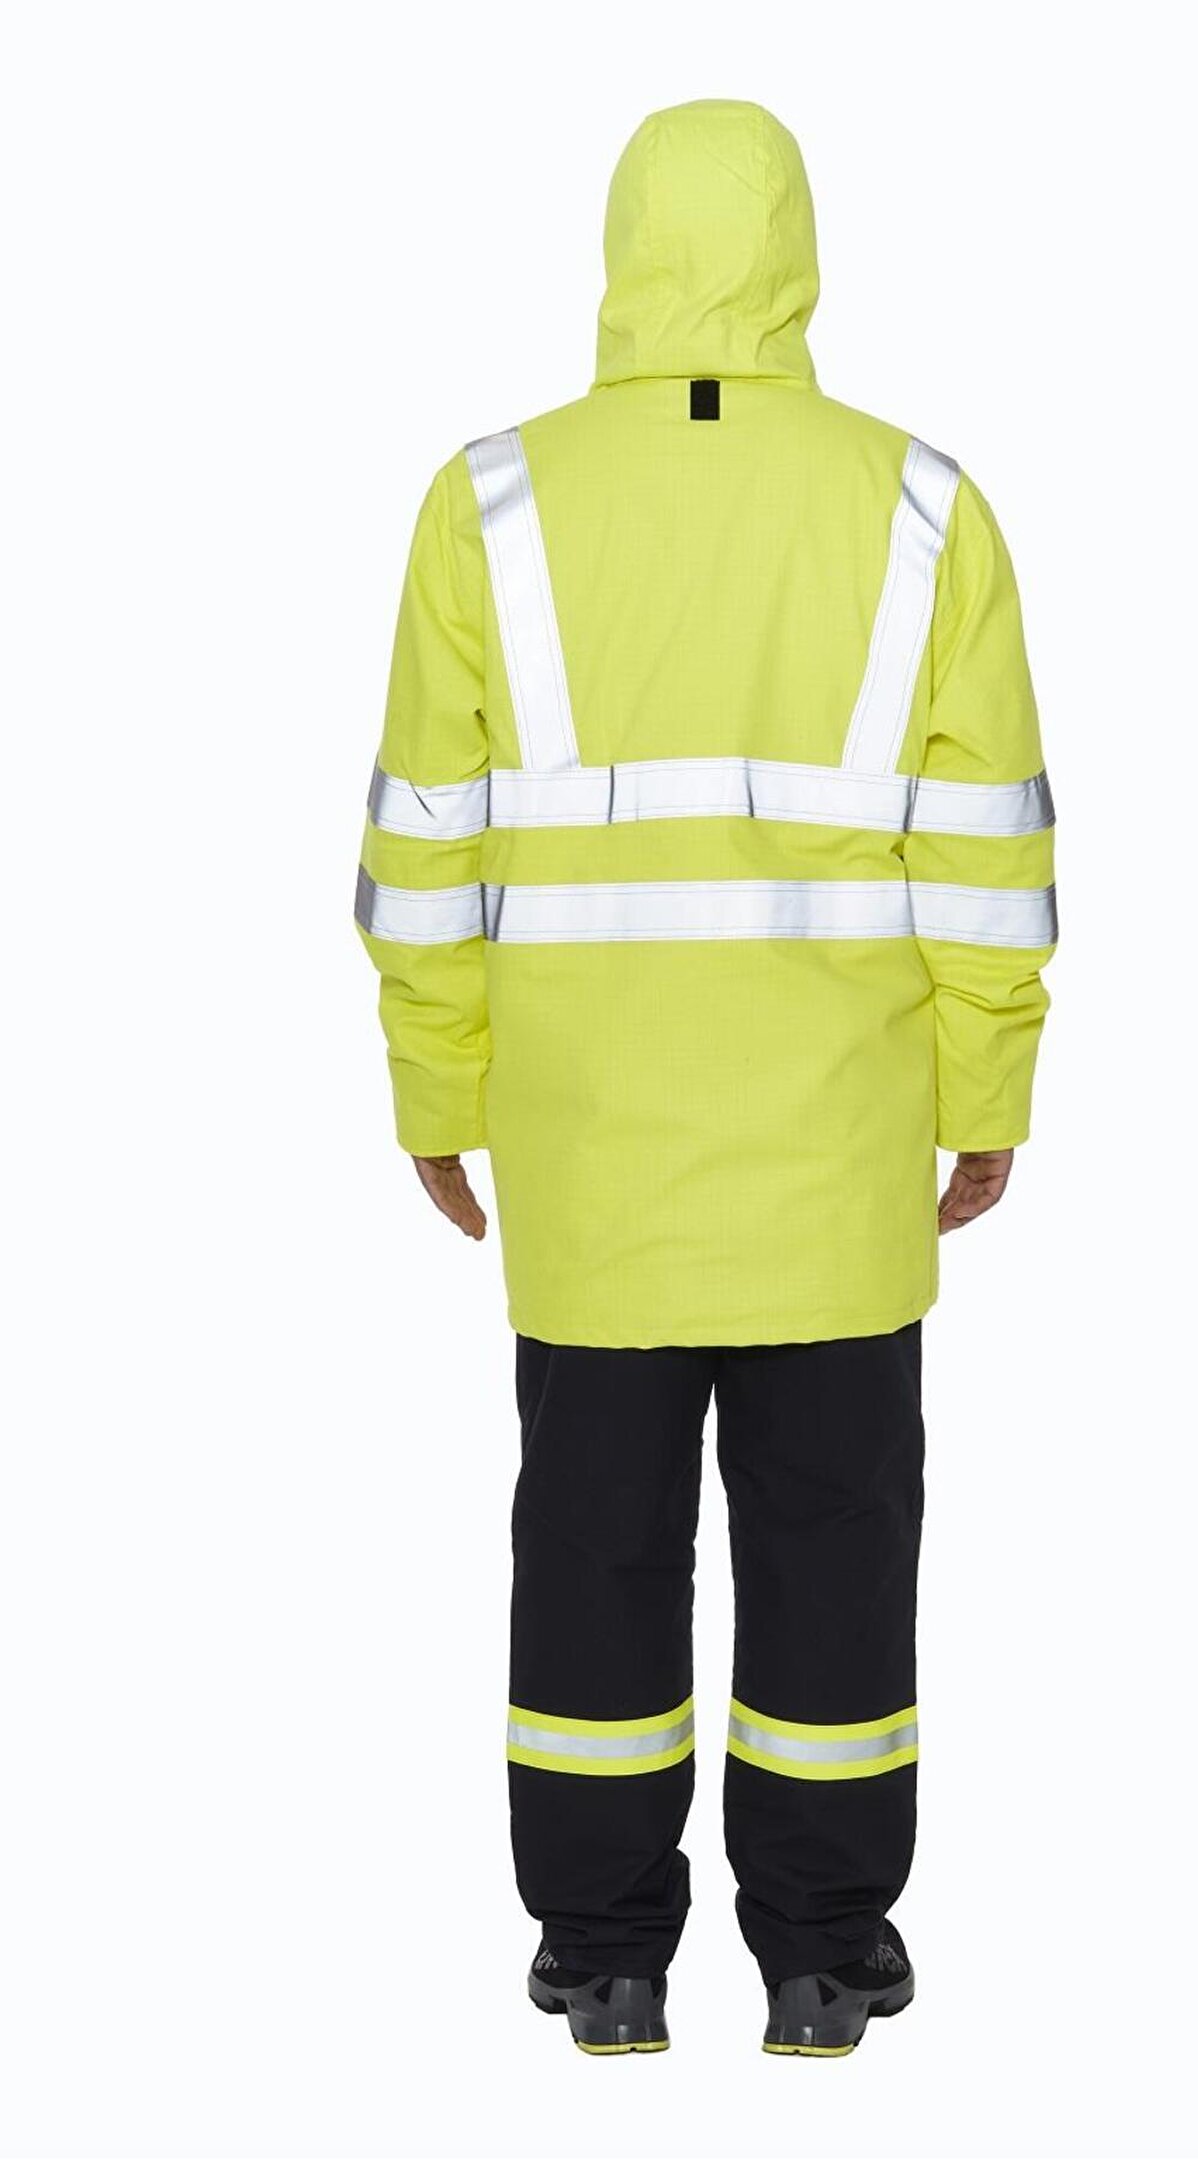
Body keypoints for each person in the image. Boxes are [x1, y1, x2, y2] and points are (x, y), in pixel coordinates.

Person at [355, 98, 1057, 2058]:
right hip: (839, 1163)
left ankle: (604, 1954)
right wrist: (986, 1089)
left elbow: (425, 844)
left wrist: (438, 1092)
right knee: (836, 1550)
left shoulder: (490, 503)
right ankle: (822, 1954)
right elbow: (984, 851)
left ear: (623, 248)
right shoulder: (921, 506)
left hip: (592, 1172)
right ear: (796, 250)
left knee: (594, 1549)